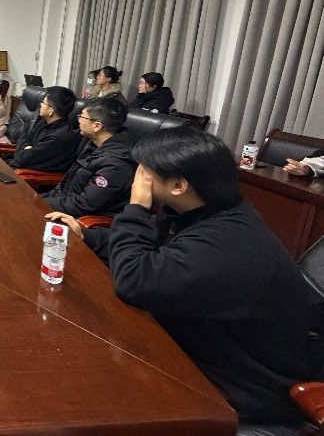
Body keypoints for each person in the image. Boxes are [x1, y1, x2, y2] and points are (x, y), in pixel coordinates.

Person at [49, 127, 322, 425]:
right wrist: (88, 236)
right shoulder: (204, 208)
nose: (137, 177)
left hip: (236, 386)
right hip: (197, 343)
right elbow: (155, 249)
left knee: (74, 383)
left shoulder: (228, 241)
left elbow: (134, 280)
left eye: (144, 171)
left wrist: (137, 206)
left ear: (178, 185)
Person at [43, 97, 136, 217]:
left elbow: (84, 205)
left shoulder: (116, 164)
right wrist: (38, 198)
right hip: (63, 204)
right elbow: (65, 186)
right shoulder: (91, 143)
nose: (79, 121)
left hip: (78, 218)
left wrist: (39, 202)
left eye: (82, 117)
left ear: (97, 126)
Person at [7, 86, 79, 172]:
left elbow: (24, 159)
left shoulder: (59, 136)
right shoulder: (45, 122)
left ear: (51, 110)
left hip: (27, 174)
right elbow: (23, 137)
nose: (40, 105)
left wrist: (23, 148)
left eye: (43, 102)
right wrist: (26, 146)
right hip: (16, 165)